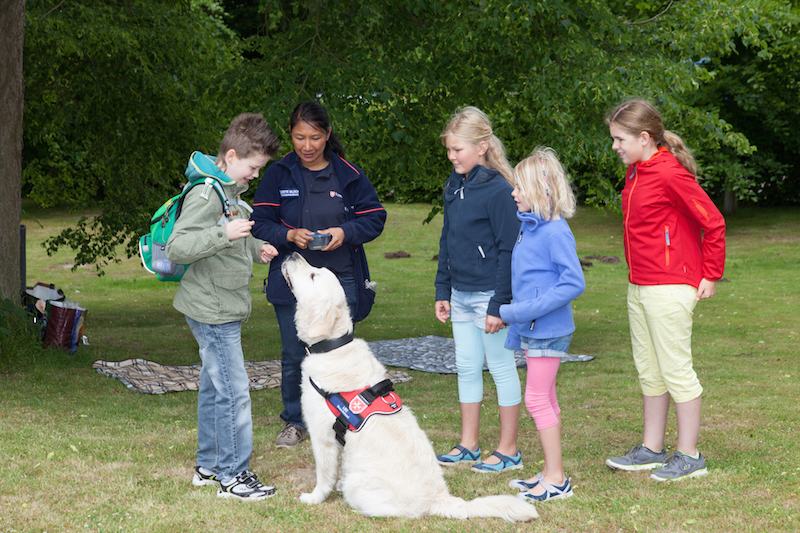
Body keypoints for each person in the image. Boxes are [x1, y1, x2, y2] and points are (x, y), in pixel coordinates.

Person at [251, 101, 386, 448]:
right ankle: (295, 422)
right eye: (299, 137)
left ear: (327, 134)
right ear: (290, 136)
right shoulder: (277, 175)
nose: (307, 146)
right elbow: (260, 224)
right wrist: (288, 235)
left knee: (339, 355)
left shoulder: (348, 174)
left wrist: (346, 233)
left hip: (342, 280)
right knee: (295, 354)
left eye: (314, 137)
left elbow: (375, 217)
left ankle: (343, 422)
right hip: (292, 283)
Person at [604, 99, 726, 481]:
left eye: (619, 138)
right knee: (649, 370)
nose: (614, 146)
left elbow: (714, 222)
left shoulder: (670, 174)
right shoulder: (636, 172)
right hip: (639, 286)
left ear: (644, 137)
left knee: (676, 370)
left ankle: (690, 456)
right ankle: (651, 449)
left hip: (670, 287)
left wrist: (710, 274)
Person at [166, 112, 282, 500]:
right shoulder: (206, 194)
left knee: (216, 389)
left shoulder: (228, 193)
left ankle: (210, 467)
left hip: (221, 305)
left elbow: (233, 235)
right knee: (235, 391)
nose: (255, 176)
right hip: (211, 309)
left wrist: (254, 247)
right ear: (231, 157)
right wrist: (223, 233)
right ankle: (234, 477)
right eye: (252, 168)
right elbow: (179, 247)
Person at [433, 106, 523, 473]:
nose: (452, 156)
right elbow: (447, 238)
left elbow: (509, 249)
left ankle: (509, 450)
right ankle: (469, 444)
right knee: (466, 366)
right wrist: (443, 289)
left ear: (482, 146)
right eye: (449, 150)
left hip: (490, 296)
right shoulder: (454, 185)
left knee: (500, 367)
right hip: (460, 295)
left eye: (458, 150)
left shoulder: (501, 191)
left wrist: (500, 304)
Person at [500, 148, 586, 502]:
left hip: (548, 329)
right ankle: (552, 471)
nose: (513, 193)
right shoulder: (529, 228)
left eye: (519, 187)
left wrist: (522, 311)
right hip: (533, 328)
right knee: (545, 398)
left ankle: (557, 479)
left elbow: (573, 283)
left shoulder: (554, 232)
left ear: (539, 190)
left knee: (536, 399)